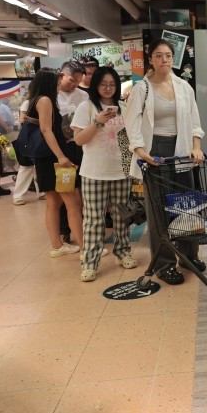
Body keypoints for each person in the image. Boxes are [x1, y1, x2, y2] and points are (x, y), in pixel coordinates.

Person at [125, 39, 206, 285]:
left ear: (173, 58)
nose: (164, 60)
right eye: (159, 55)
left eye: (168, 55)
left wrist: (196, 147)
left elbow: (195, 120)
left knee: (186, 204)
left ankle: (189, 256)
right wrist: (141, 151)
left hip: (183, 150)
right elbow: (131, 122)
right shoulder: (142, 88)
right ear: (151, 59)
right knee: (158, 209)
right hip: (155, 151)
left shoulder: (183, 86)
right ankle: (164, 264)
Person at [71, 67, 137, 282]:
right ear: (95, 85)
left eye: (112, 84)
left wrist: (132, 167)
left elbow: (129, 140)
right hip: (93, 172)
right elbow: (79, 140)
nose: (108, 88)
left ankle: (123, 252)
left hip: (121, 171)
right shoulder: (87, 107)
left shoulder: (124, 108)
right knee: (93, 219)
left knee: (122, 217)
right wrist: (98, 121)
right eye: (103, 84)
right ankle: (90, 262)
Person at [26, 68, 84, 258]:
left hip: (44, 159)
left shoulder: (35, 100)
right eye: (57, 81)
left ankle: (57, 245)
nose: (60, 84)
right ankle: (86, 247)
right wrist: (61, 156)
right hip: (53, 159)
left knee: (53, 202)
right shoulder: (45, 100)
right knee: (73, 202)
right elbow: (46, 130)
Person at [56, 61, 87, 244]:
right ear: (62, 75)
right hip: (61, 150)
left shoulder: (83, 96)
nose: (74, 85)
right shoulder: (51, 95)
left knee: (82, 190)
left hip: (80, 147)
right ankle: (64, 230)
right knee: (65, 189)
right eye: (71, 81)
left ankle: (82, 228)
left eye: (78, 82)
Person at [13, 85, 44, 205]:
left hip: (39, 137)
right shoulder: (28, 103)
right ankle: (18, 195)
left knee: (38, 165)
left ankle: (41, 191)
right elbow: (22, 119)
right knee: (26, 166)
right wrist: (40, 121)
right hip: (29, 138)